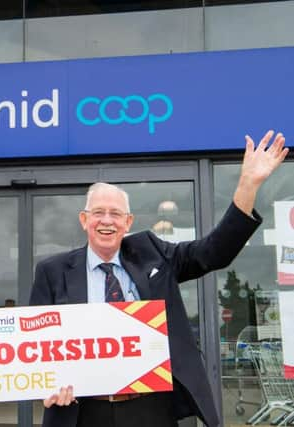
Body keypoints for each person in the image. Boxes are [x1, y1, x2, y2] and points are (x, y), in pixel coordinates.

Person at [30, 130, 288, 427]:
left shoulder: (153, 254)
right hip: (81, 411)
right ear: (84, 220)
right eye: (98, 212)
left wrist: (247, 185)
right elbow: (37, 345)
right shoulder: (52, 271)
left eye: (116, 214)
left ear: (128, 223)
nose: (106, 221)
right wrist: (45, 387)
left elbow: (213, 252)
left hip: (149, 408)